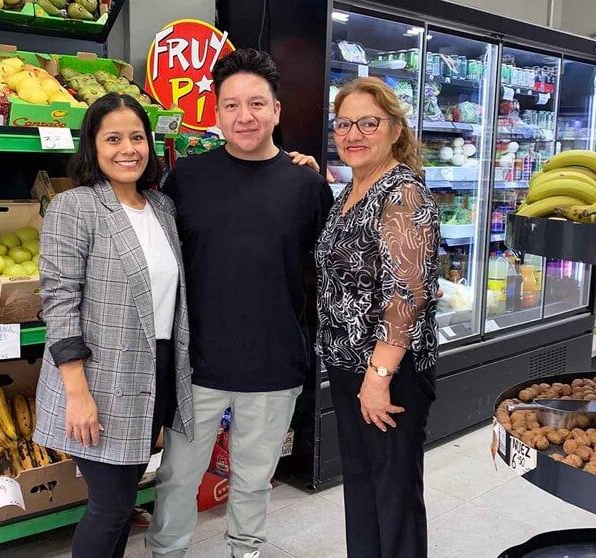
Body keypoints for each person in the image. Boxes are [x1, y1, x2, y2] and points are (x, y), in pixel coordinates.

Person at [145, 48, 333, 558]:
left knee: (254, 478)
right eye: (231, 105)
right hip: (197, 362)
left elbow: (329, 273)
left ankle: (245, 550)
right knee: (178, 476)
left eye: (256, 104)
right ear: (215, 111)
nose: (244, 116)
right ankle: (168, 552)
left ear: (276, 109)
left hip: (275, 360)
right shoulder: (186, 180)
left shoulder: (308, 185)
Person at [33, 92, 195, 558]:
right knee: (111, 503)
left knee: (125, 505)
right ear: (93, 147)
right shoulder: (76, 207)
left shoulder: (162, 207)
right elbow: (59, 301)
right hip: (98, 380)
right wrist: (77, 393)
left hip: (153, 374)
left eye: (137, 137)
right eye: (113, 138)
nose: (128, 149)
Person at [315, 76, 440, 558]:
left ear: (395, 129)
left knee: (393, 493)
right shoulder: (350, 191)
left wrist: (379, 375)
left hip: (390, 371)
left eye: (369, 122)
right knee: (364, 485)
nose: (353, 133)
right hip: (351, 365)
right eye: (343, 123)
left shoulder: (402, 192)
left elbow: (408, 293)